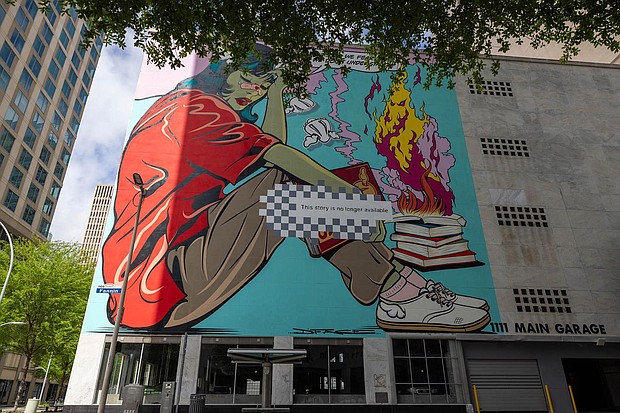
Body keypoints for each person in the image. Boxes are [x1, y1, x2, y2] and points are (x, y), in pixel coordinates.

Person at [101, 49, 490, 332]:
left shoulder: (195, 111)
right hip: (161, 283)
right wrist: (360, 206)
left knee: (290, 184)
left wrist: (276, 92)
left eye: (261, 86)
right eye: (248, 78)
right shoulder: (196, 110)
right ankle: (397, 292)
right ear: (222, 72)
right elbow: (282, 157)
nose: (253, 90)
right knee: (290, 182)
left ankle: (397, 286)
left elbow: (270, 144)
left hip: (160, 282)